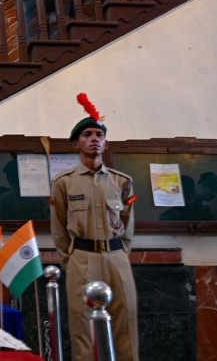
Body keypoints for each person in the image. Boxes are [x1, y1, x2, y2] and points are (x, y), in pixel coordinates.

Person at [50, 94, 138, 361]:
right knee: (83, 327)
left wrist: (121, 254)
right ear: (76, 143)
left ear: (105, 142)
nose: (94, 138)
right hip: (82, 259)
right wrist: (72, 260)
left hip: (116, 257)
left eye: (99, 134)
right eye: (87, 134)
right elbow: (59, 228)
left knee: (126, 321)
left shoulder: (122, 181)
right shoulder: (64, 183)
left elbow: (127, 224)